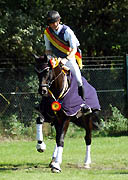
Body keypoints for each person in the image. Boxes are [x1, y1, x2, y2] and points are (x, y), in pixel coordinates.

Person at [43, 10, 91, 114]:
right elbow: (48, 49)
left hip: (69, 58)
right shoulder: (47, 33)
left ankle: (84, 105)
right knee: (45, 76)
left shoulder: (67, 31)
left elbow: (74, 49)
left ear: (59, 20)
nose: (53, 25)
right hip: (55, 59)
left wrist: (65, 59)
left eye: (55, 22)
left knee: (78, 79)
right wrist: (50, 58)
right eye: (51, 23)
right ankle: (44, 105)